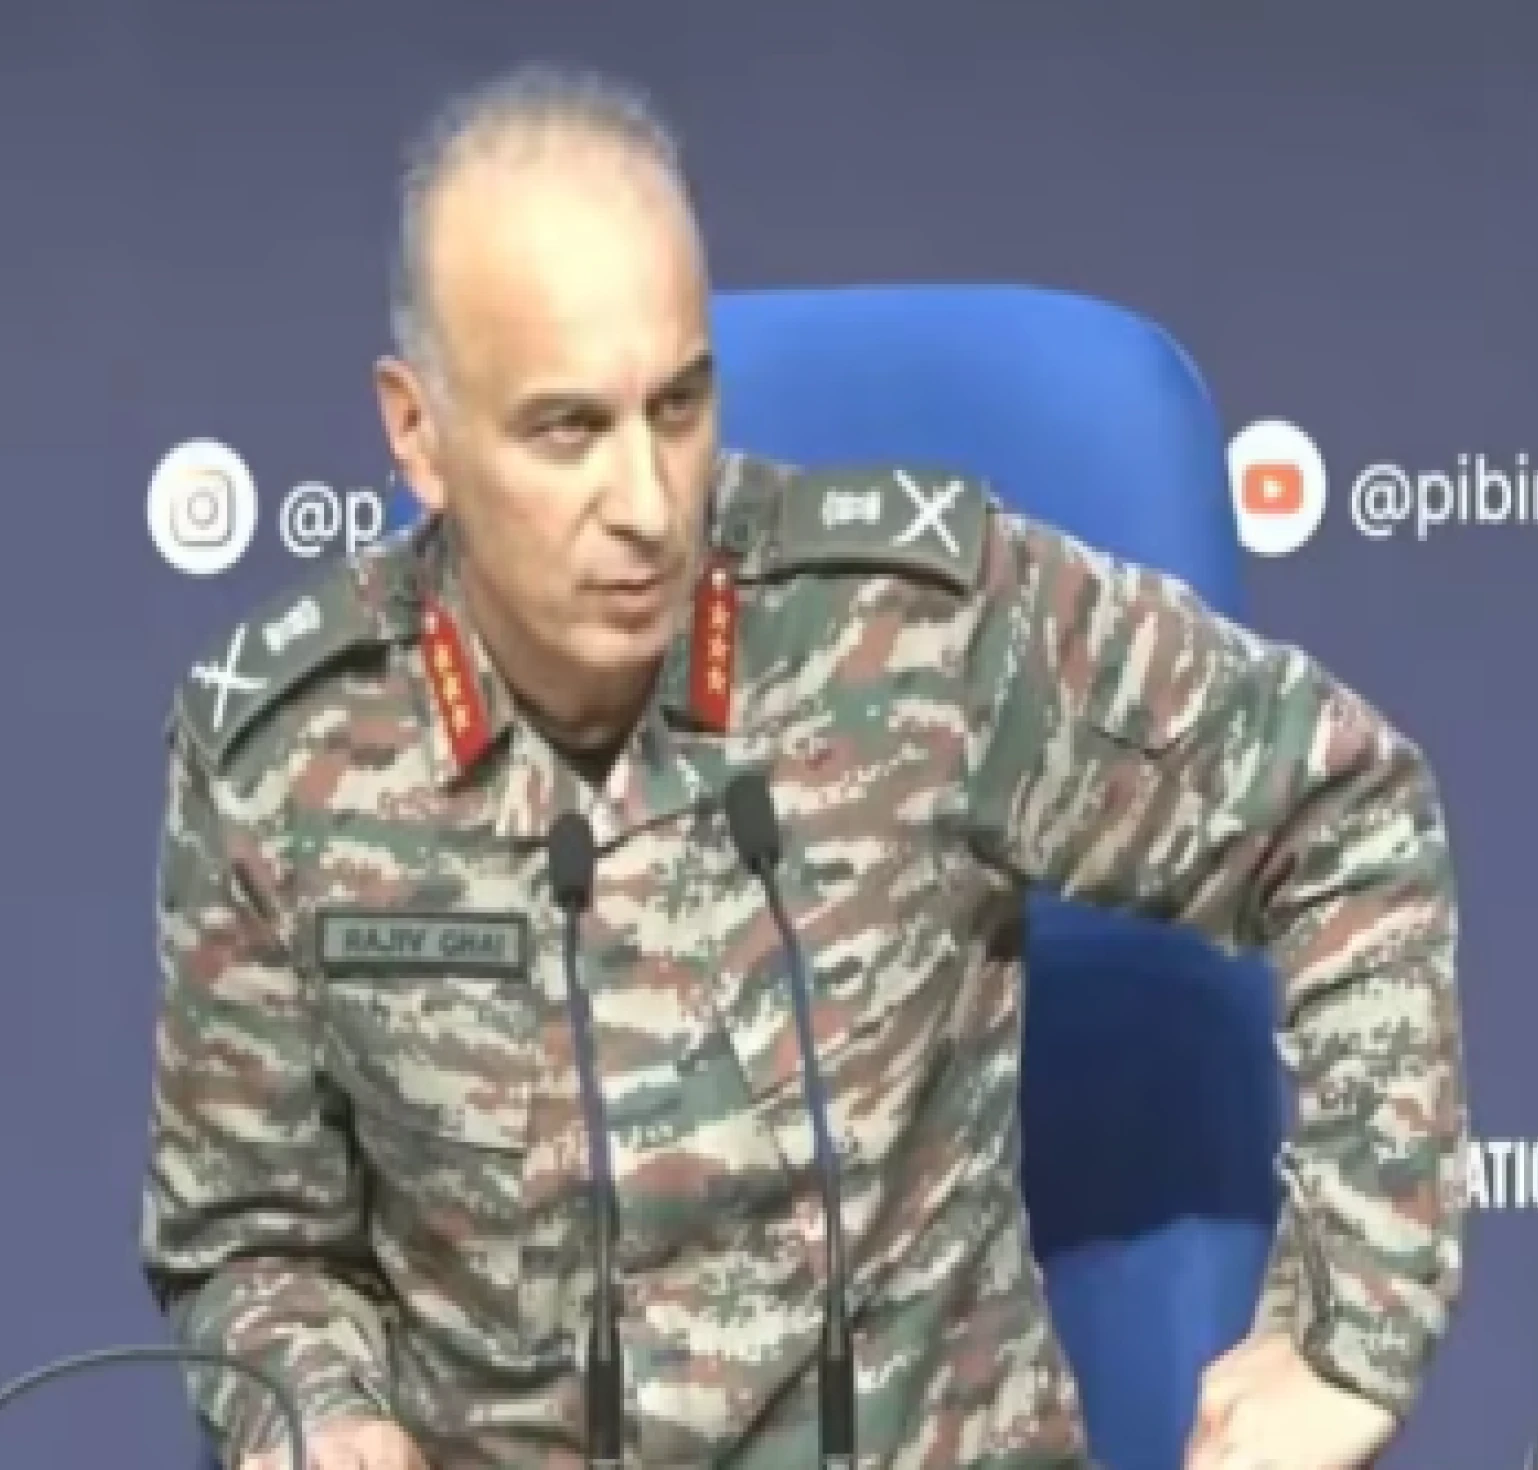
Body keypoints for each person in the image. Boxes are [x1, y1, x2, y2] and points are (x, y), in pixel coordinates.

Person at [139, 62, 1468, 1470]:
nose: (646, 504)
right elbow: (252, 1237)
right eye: (568, 430)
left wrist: (1352, 1328)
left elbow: (1349, 816)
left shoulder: (917, 634)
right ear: (419, 432)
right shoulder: (284, 759)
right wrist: (321, 1412)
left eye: (679, 406)